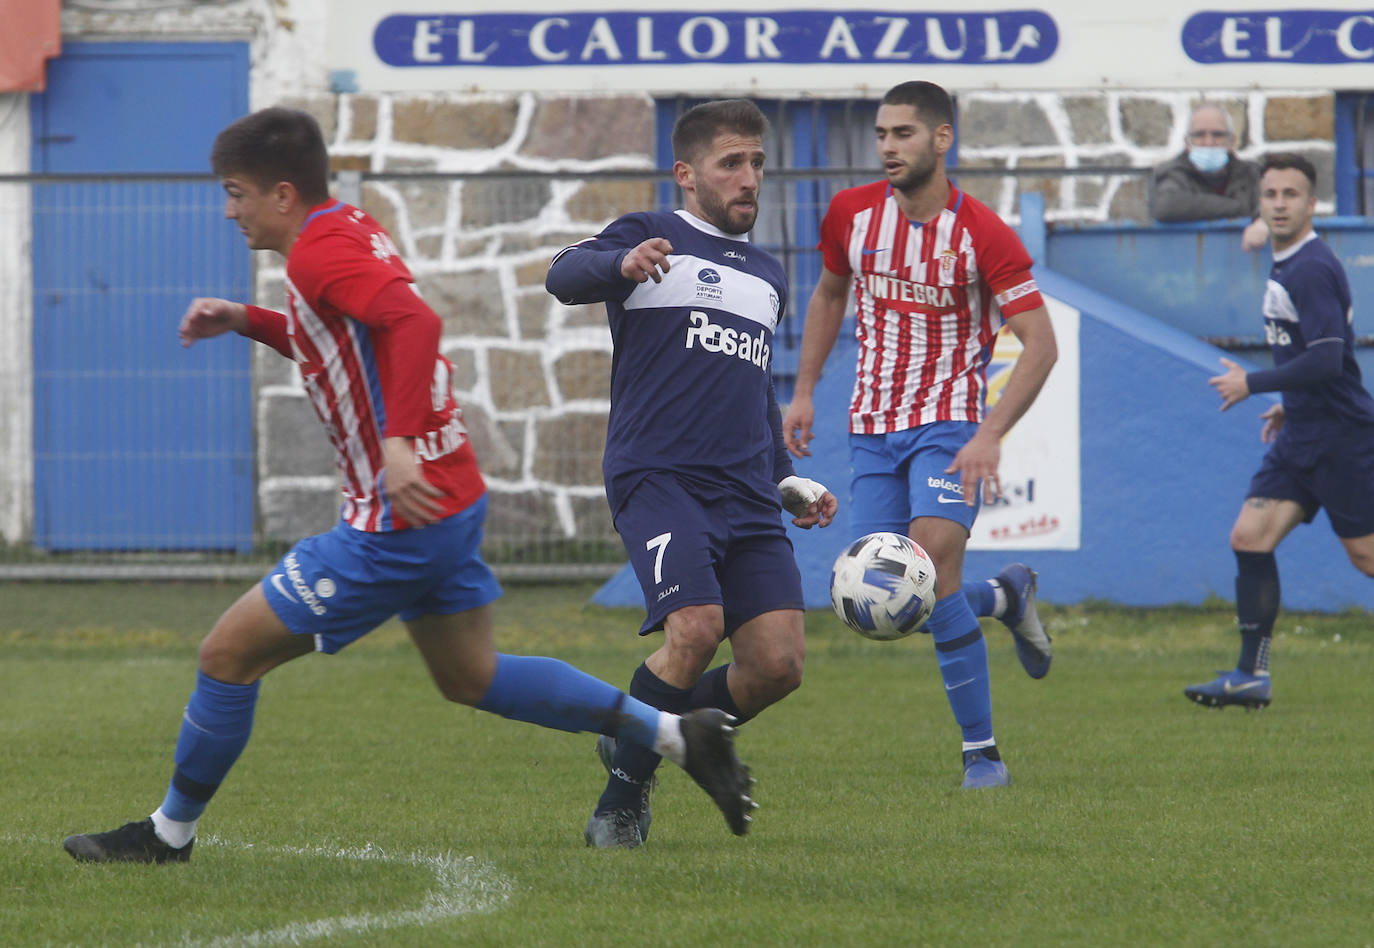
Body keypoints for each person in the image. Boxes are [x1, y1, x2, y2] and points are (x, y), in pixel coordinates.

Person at [61, 107, 755, 864]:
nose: (229, 209)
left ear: (283, 194)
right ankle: (675, 735)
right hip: (446, 500)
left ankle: (168, 836)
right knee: (472, 675)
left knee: (227, 656)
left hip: (394, 520)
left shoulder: (315, 255)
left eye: (236, 193)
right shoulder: (345, 226)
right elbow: (336, 334)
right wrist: (243, 319)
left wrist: (395, 446)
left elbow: (413, 323)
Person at [544, 99, 838, 849]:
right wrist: (621, 264)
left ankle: (640, 730)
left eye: (757, 164)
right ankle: (620, 802)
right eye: (731, 163)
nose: (749, 179)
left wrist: (786, 480)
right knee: (697, 628)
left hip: (746, 490)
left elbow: (752, 391)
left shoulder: (769, 277)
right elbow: (562, 274)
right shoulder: (650, 234)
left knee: (778, 665)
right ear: (687, 174)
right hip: (660, 476)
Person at [781, 81, 1058, 789]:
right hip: (873, 424)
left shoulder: (984, 234)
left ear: (942, 140)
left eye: (903, 133)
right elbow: (829, 293)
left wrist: (991, 433)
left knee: (929, 571)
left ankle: (983, 756)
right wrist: (805, 391)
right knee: (886, 601)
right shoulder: (851, 214)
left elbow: (1041, 345)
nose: (887, 147)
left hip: (950, 420)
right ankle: (1008, 597)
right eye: (880, 134)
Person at [1187, 152, 1374, 710]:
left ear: (1311, 203)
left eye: (1291, 194)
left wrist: (1255, 384)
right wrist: (1290, 407)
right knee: (1250, 537)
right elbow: (1319, 359)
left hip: (1341, 437)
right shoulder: (1289, 263)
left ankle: (1250, 674)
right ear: (1259, 201)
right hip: (1303, 435)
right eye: (1271, 194)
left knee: (1366, 558)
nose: (1279, 204)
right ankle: (1250, 676)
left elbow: (1326, 359)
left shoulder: (1312, 266)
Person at [1148, 103, 1269, 251]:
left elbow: (1270, 207)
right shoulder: (1171, 172)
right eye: (1199, 135)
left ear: (1232, 141)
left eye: (1217, 135)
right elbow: (1166, 206)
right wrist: (1238, 207)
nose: (1209, 142)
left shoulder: (1252, 173)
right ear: (1188, 142)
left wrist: (1262, 222)